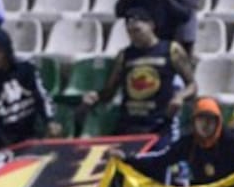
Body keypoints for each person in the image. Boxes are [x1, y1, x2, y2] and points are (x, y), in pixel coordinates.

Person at [82, 7, 196, 139]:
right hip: (129, 124)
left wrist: (180, 97)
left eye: (137, 31)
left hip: (159, 122)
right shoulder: (124, 55)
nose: (134, 36)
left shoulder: (171, 50)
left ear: (151, 26)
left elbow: (192, 85)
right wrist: (96, 96)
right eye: (130, 32)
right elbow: (110, 91)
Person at [112, 97, 234, 187]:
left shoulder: (230, 139)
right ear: (194, 122)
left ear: (218, 122)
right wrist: (127, 158)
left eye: (210, 120)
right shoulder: (188, 143)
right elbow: (159, 158)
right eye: (201, 119)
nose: (206, 125)